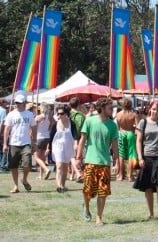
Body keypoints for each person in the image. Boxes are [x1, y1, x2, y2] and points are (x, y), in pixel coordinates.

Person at [75, 97, 119, 226]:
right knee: (88, 189)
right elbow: (82, 140)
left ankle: (99, 217)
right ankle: (87, 207)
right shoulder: (89, 121)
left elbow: (115, 146)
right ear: (103, 108)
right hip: (90, 161)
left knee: (103, 191)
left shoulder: (112, 125)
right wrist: (78, 157)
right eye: (110, 107)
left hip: (105, 162)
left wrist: (116, 162)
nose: (112, 110)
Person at [3, 93, 37, 193]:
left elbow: (34, 127)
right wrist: (5, 144)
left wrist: (34, 142)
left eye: (20, 103)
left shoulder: (29, 114)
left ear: (24, 103)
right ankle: (15, 186)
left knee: (27, 164)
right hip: (13, 143)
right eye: (16, 103)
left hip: (26, 142)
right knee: (14, 166)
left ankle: (25, 179)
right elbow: (6, 130)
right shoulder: (11, 114)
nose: (18, 104)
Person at [51, 105, 75, 192]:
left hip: (68, 146)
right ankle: (58, 185)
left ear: (66, 114)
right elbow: (51, 136)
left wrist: (76, 143)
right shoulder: (55, 124)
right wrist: (47, 148)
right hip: (57, 146)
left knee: (65, 167)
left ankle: (63, 185)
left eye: (61, 113)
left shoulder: (71, 124)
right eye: (58, 114)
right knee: (59, 165)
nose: (59, 116)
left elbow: (75, 135)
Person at [115, 99, 138, 181]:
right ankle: (130, 176)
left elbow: (117, 127)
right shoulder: (134, 114)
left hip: (121, 133)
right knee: (131, 154)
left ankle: (121, 175)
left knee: (121, 155)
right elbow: (137, 127)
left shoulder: (118, 114)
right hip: (130, 134)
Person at [34, 103, 53, 180]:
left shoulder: (39, 117)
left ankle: (46, 169)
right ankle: (40, 175)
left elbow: (33, 126)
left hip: (39, 137)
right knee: (42, 157)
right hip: (46, 137)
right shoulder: (50, 117)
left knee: (36, 157)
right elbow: (52, 124)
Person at [69, 97, 86, 182]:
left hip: (68, 138)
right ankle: (79, 174)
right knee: (78, 157)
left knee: (73, 156)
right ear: (78, 105)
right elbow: (80, 129)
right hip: (78, 139)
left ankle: (72, 175)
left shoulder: (67, 113)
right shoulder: (79, 116)